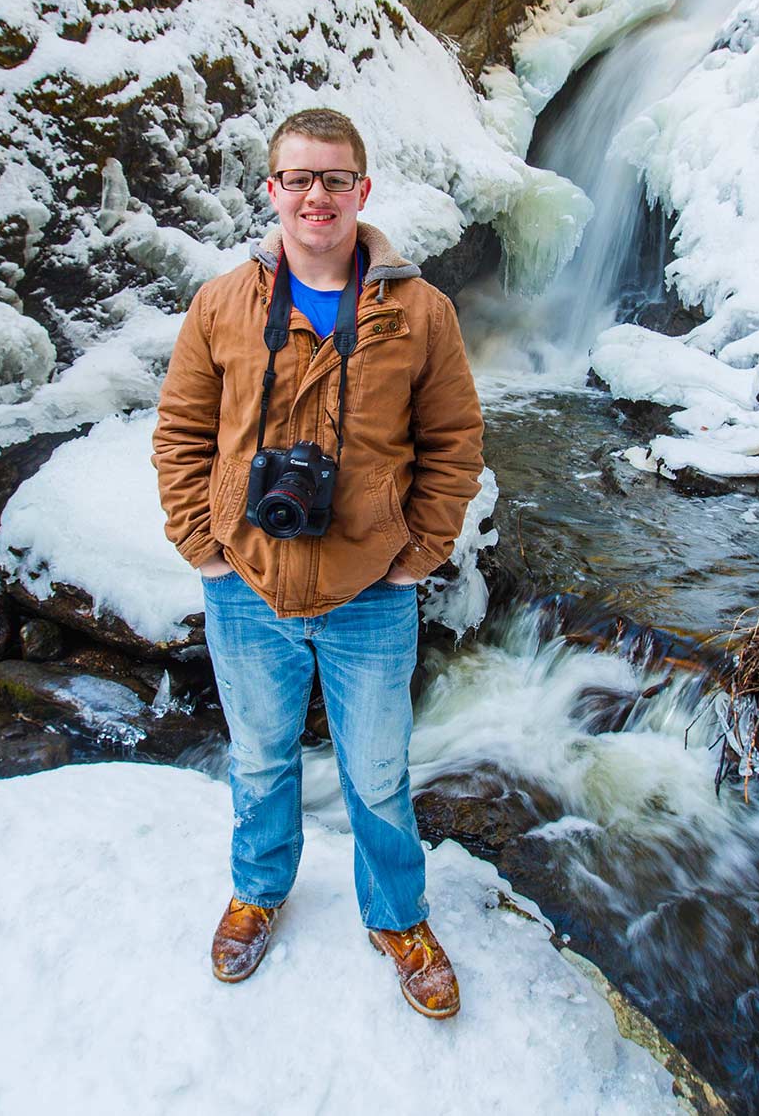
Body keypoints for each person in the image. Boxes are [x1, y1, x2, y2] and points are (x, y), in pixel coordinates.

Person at [151, 107, 485, 1019]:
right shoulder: (222, 305)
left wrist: (417, 553)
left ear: (362, 191)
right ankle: (258, 892)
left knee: (377, 771)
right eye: (298, 177)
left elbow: (454, 441)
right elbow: (180, 431)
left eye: (334, 178)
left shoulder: (419, 311)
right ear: (273, 191)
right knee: (260, 760)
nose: (316, 195)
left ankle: (398, 916)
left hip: (371, 592)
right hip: (247, 588)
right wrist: (201, 542)